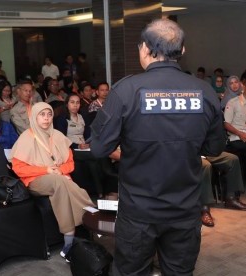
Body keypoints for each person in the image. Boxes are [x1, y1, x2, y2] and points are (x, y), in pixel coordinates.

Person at [90, 19, 224, 275]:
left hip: (138, 212)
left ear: (144, 48)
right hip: (185, 209)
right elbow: (215, 147)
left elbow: (98, 148)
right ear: (182, 50)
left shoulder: (125, 90)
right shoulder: (204, 92)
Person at [12, 102, 95, 261]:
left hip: (60, 179)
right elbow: (18, 169)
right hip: (36, 180)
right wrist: (47, 170)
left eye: (49, 114)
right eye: (42, 115)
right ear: (34, 117)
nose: (46, 118)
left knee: (61, 185)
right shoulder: (26, 137)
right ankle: (91, 210)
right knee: (61, 182)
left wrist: (60, 171)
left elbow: (70, 163)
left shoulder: (58, 135)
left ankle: (68, 243)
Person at [200, 152, 246, 227]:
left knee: (232, 159)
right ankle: (204, 209)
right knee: (206, 166)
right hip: (190, 152)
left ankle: (230, 199)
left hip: (206, 150)